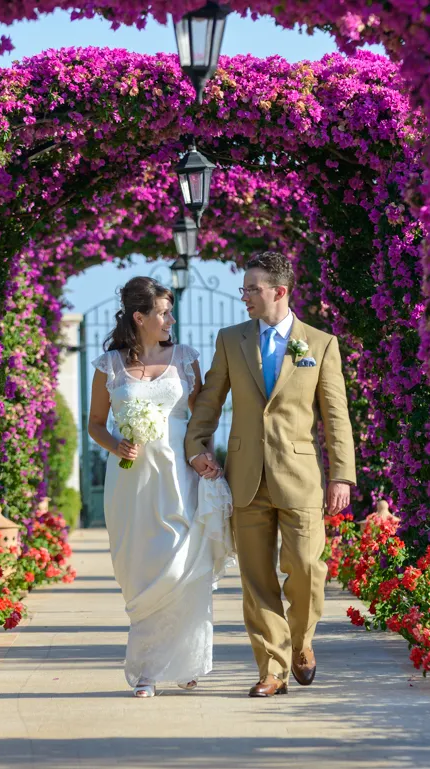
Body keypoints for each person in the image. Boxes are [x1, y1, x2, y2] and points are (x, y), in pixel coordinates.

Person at [186, 251, 356, 697]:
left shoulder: (319, 344)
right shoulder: (230, 339)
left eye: (252, 289)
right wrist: (195, 446)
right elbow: (209, 403)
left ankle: (301, 642)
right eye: (243, 289)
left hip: (300, 476)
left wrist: (342, 475)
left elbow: (335, 417)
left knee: (305, 568)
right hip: (245, 476)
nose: (244, 297)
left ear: (279, 292)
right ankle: (272, 669)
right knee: (256, 579)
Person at [87, 276, 221, 698]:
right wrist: (117, 443)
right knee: (142, 571)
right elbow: (94, 424)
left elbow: (201, 418)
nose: (170, 319)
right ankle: (146, 670)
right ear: (140, 317)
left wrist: (203, 455)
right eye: (163, 312)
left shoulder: (186, 358)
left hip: (179, 475)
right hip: (131, 483)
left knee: (184, 565)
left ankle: (185, 661)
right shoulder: (109, 365)